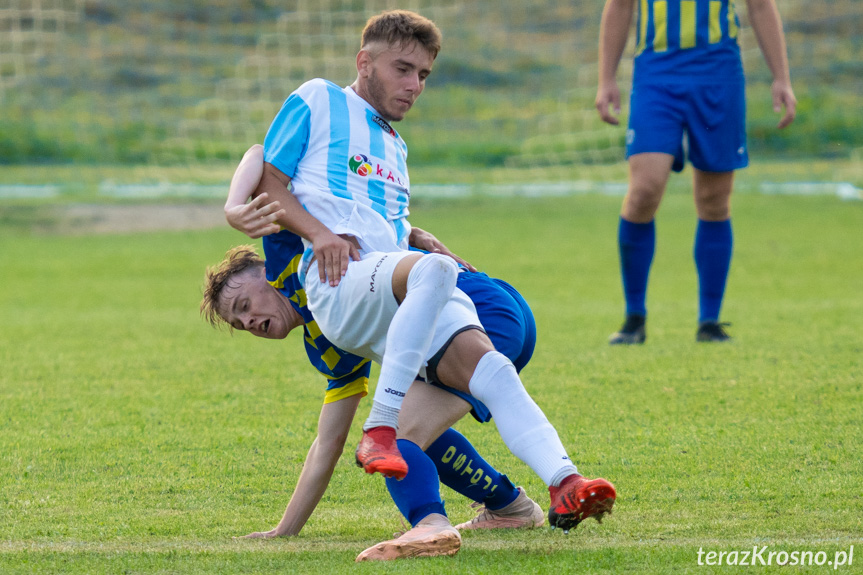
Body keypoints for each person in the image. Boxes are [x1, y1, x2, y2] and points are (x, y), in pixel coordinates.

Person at [236, 7, 616, 542]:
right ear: (364, 62)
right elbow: (268, 178)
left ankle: (565, 481)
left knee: (492, 369)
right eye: (402, 69)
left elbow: (381, 220)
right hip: (341, 283)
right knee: (436, 272)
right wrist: (316, 234)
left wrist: (414, 232)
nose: (414, 85)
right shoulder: (319, 98)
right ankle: (382, 430)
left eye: (423, 76)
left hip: (400, 290)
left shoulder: (394, 144)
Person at [208, 144, 611, 560]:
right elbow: (328, 442)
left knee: (394, 434)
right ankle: (518, 502)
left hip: (472, 308)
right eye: (240, 325)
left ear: (263, 276)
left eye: (244, 306)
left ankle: (430, 525)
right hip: (492, 314)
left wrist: (234, 207)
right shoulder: (324, 343)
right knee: (406, 427)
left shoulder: (290, 250)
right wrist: (283, 531)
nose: (250, 323)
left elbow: (262, 152)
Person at [595, 0, 796, 344]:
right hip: (657, 74)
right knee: (644, 190)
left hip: (718, 73)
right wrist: (606, 79)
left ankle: (710, 321)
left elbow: (760, 6)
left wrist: (781, 78)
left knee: (714, 198)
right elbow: (619, 6)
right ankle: (634, 318)